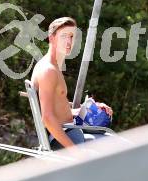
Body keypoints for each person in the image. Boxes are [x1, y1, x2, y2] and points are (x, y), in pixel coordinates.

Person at [30, 17, 113, 150]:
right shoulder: (48, 70)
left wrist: (87, 108)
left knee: (116, 142)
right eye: (64, 36)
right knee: (119, 148)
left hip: (70, 130)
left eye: (71, 36)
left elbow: (57, 105)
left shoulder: (53, 66)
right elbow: (47, 118)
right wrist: (75, 151)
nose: (69, 41)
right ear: (52, 38)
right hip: (63, 139)